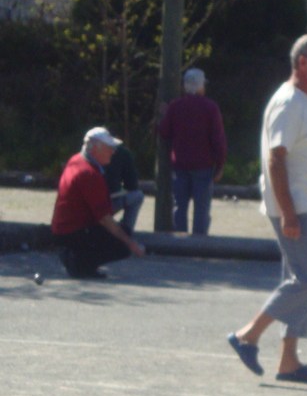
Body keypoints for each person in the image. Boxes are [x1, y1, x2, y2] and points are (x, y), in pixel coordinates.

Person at [227, 34, 307, 384]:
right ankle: (248, 335)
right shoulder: (289, 102)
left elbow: (306, 163)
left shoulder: (306, 102)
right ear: (302, 63)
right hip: (295, 209)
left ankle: (288, 361)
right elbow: (276, 159)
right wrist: (289, 213)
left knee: (300, 281)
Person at [51, 127, 146, 278]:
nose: (113, 152)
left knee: (119, 233)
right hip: (73, 232)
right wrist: (130, 243)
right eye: (109, 148)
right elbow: (104, 219)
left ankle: (82, 263)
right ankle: (79, 264)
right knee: (121, 245)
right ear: (95, 148)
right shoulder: (89, 173)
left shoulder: (76, 160)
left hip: (66, 231)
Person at [158, 68, 227, 235]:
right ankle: (199, 244)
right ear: (201, 85)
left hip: (180, 165)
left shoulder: (175, 106)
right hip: (203, 166)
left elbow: (164, 132)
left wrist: (164, 115)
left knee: (180, 207)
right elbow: (218, 140)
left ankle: (181, 243)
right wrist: (220, 165)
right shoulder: (210, 108)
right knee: (201, 209)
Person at [104, 144, 145, 234]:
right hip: (106, 203)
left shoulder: (84, 154)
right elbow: (132, 185)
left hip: (82, 208)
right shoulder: (121, 151)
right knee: (138, 196)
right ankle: (126, 231)